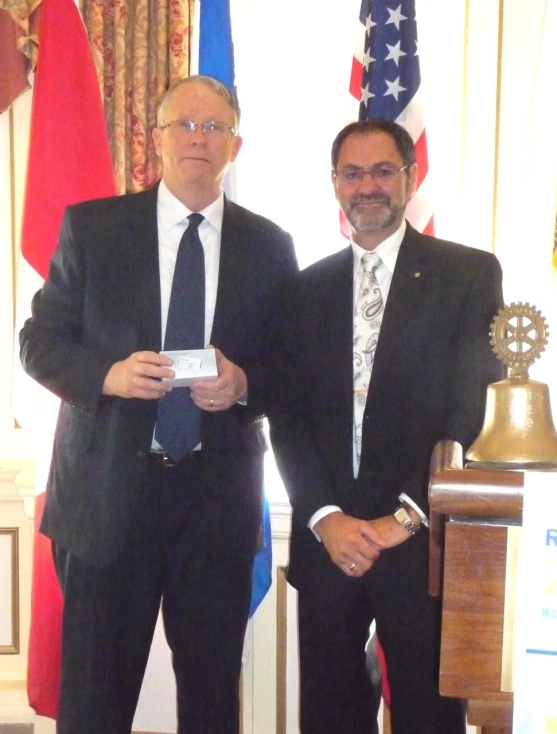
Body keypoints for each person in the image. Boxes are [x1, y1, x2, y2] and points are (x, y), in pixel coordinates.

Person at [20, 75, 297, 734]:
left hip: (215, 500)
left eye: (213, 128)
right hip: (108, 497)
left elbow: (293, 370)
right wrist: (108, 374)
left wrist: (244, 385)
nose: (198, 139)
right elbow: (38, 341)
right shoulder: (93, 228)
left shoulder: (270, 247)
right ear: (157, 138)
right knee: (93, 702)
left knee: (209, 702)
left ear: (235, 145)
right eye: (184, 125)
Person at [268, 119, 504, 734]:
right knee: (329, 714)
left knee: (428, 715)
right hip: (330, 543)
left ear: (410, 177)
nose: (366, 186)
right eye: (352, 173)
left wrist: (404, 517)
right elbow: (286, 415)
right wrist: (324, 516)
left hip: (419, 542)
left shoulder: (469, 276)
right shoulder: (303, 289)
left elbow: (470, 407)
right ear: (334, 185)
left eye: (381, 171)